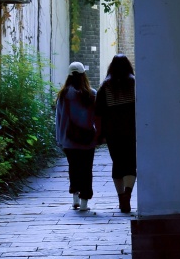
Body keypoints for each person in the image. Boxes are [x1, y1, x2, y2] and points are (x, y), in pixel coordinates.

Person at [55, 61, 100, 213]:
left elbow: (60, 119)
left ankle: (75, 196)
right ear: (83, 75)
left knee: (73, 168)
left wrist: (60, 139)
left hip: (69, 140)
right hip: (88, 140)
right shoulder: (92, 94)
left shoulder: (63, 96)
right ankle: (84, 202)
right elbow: (97, 118)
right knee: (86, 170)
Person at [95, 54, 136, 213]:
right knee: (130, 163)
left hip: (112, 131)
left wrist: (99, 134)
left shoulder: (105, 86)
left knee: (118, 163)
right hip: (132, 129)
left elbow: (98, 113)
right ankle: (127, 194)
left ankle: (121, 198)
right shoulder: (134, 83)